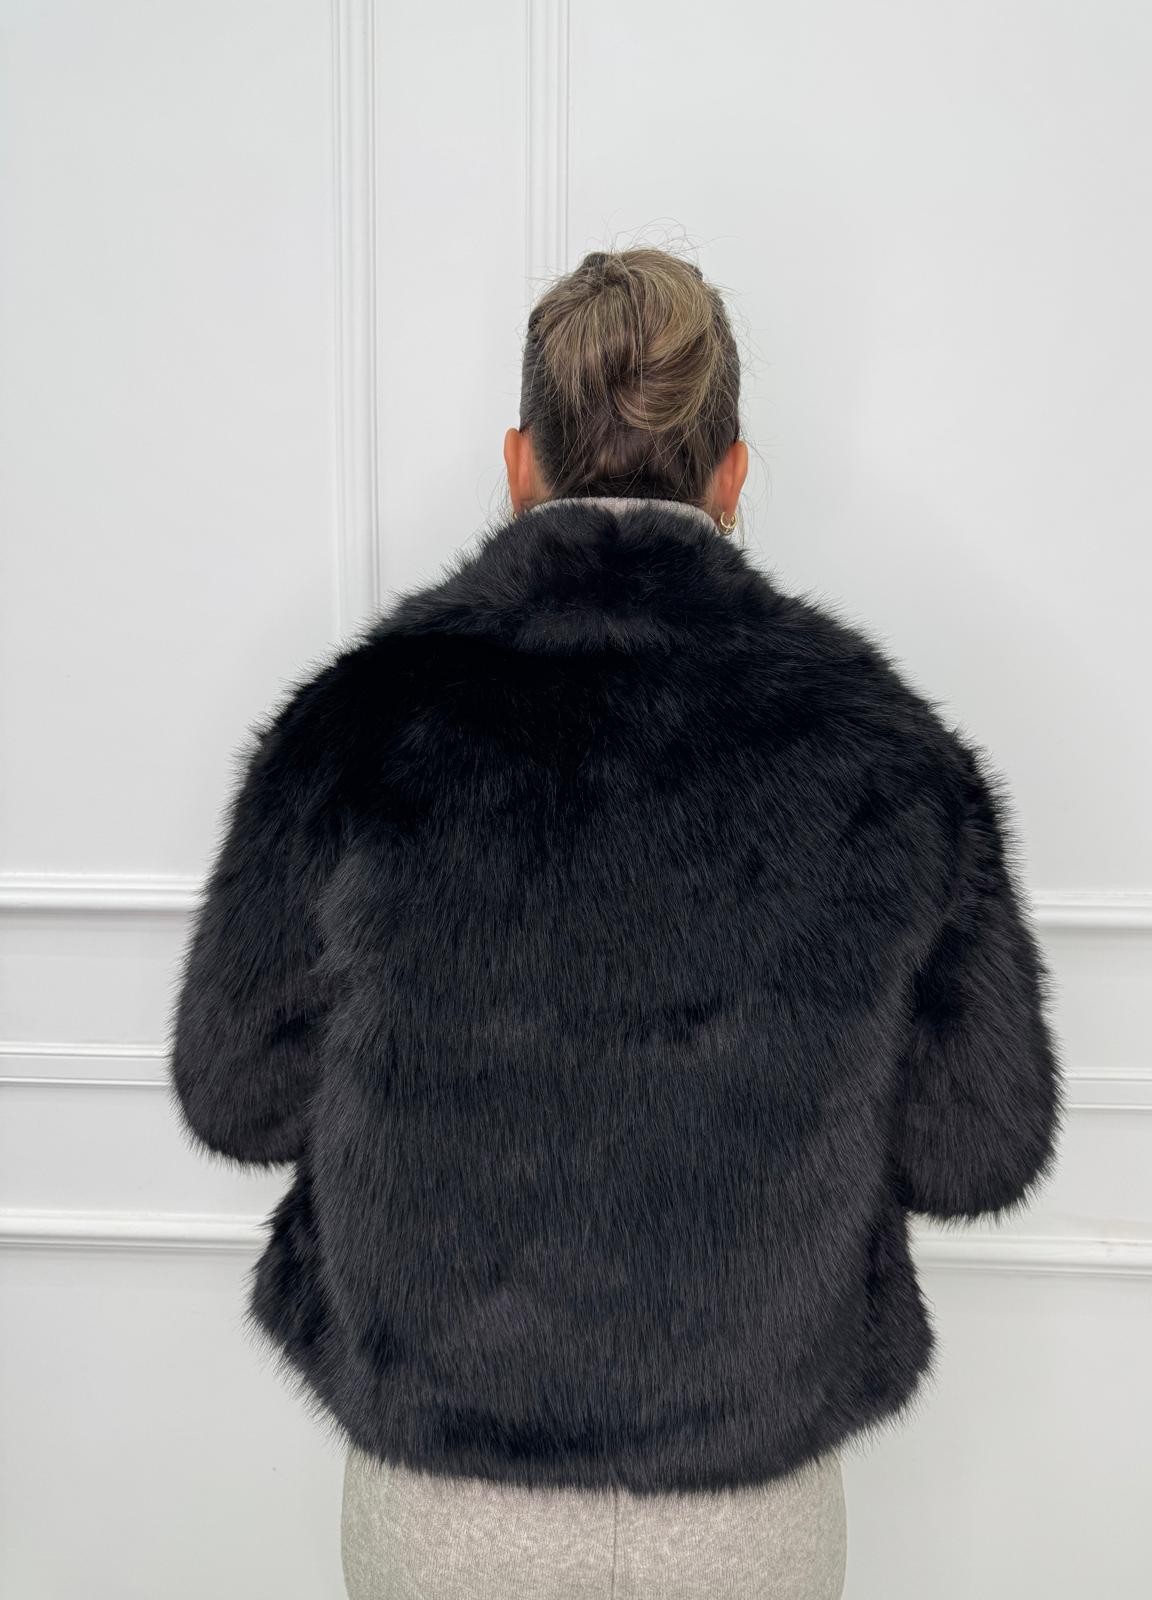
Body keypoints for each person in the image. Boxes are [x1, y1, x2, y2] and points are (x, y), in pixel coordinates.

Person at [169, 247, 1064, 1599]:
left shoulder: (360, 726)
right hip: (745, 1505)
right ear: (733, 477)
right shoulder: (881, 752)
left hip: (445, 1499)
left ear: (519, 464)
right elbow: (981, 1149)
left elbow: (235, 1095)